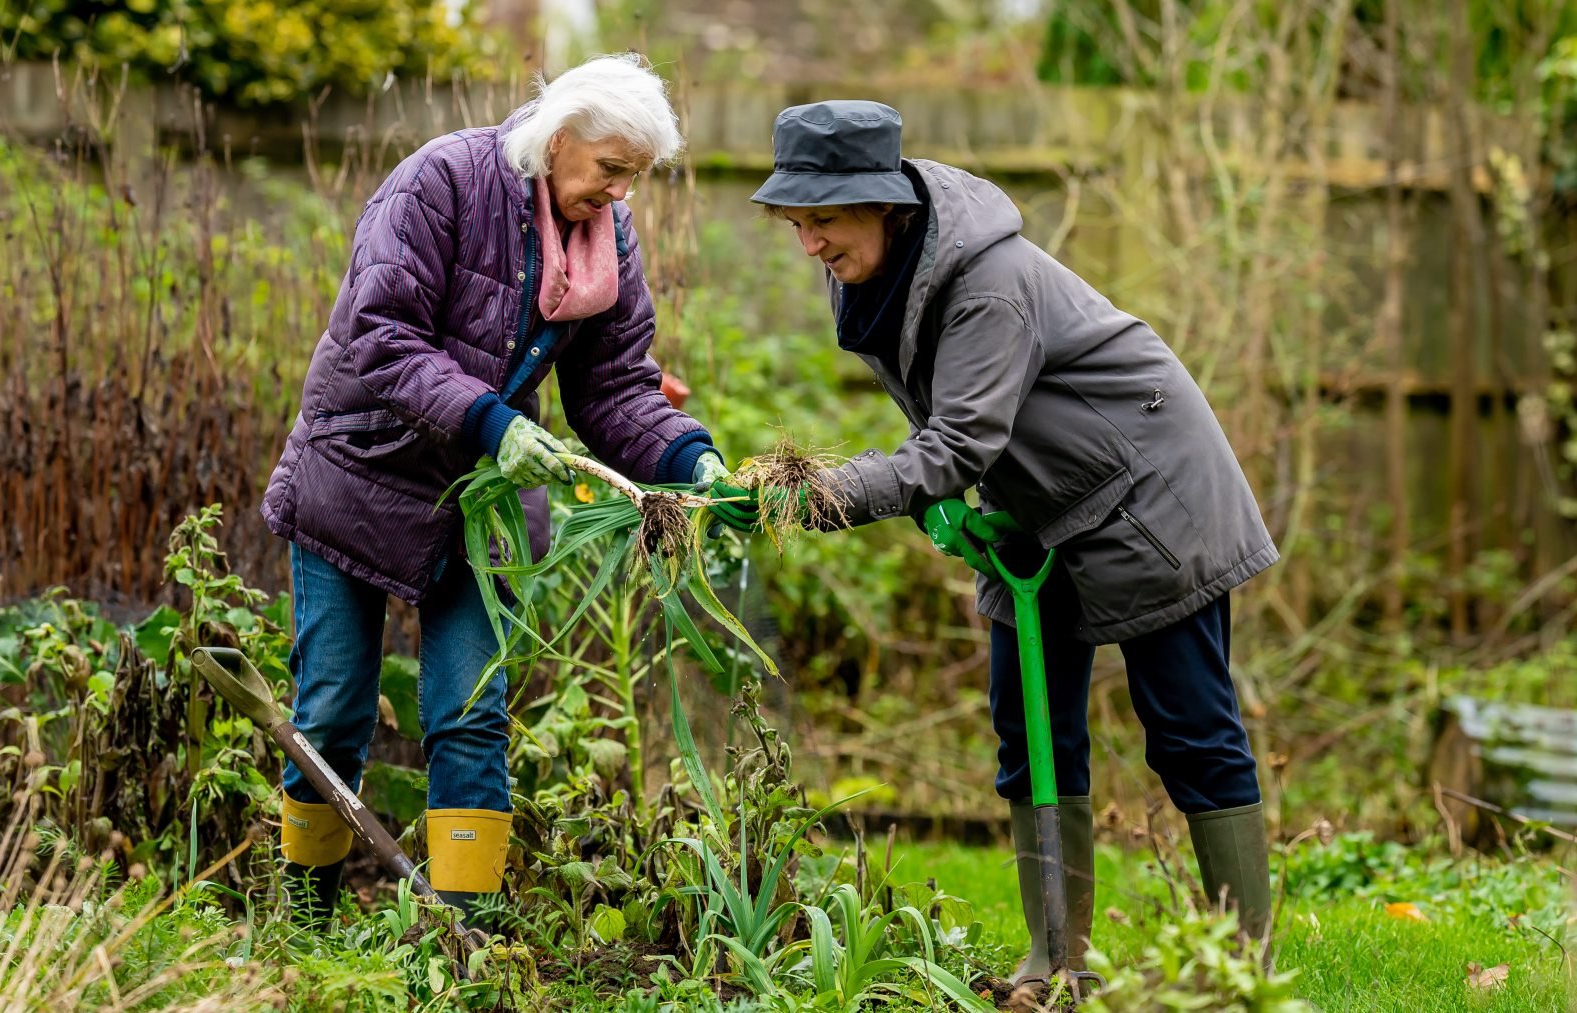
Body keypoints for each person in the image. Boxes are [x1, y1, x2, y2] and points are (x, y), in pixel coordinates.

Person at [710, 100, 1278, 975]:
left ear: (882, 204)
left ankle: (1243, 968)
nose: (809, 244)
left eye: (822, 220)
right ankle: (1056, 962)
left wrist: (822, 493)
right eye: (797, 223)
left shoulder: (987, 282)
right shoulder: (871, 273)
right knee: (1030, 728)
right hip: (1038, 508)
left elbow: (960, 438)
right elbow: (947, 424)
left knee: (1188, 729)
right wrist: (936, 501)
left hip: (1149, 495)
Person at [260, 53, 730, 922]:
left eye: (634, 178)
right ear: (558, 139)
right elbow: (381, 332)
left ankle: (458, 938)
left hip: (481, 500)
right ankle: (307, 919)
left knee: (470, 713)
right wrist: (494, 420)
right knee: (330, 709)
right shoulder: (440, 182)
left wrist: (690, 457)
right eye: (611, 171)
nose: (620, 195)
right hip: (360, 471)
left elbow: (616, 387)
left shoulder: (604, 238)